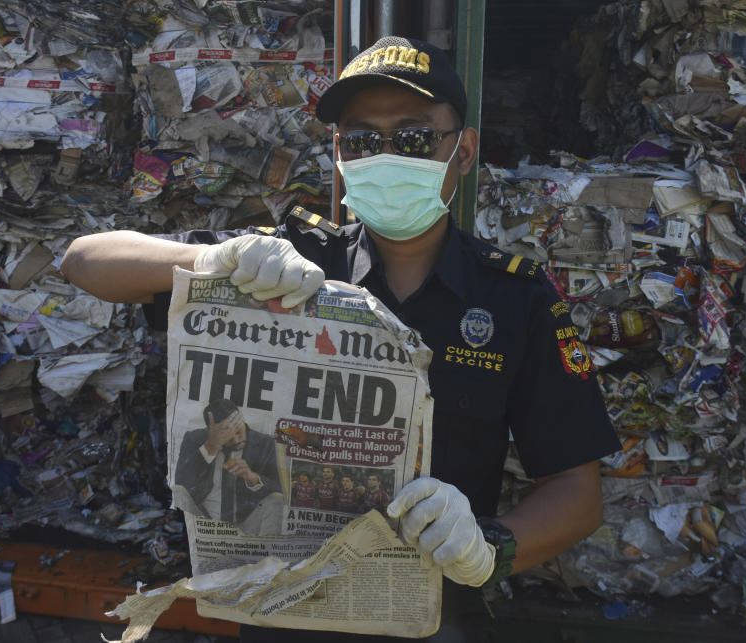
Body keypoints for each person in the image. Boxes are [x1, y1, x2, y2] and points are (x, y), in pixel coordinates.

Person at [62, 35, 620, 642]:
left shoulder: (517, 298)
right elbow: (86, 261)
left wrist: (490, 548)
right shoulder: (287, 260)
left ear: (463, 151)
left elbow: (576, 491)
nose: (385, 156)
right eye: (360, 141)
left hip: (429, 616)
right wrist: (215, 260)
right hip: (283, 614)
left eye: (411, 138)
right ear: (339, 154)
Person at [173, 399, 283, 535]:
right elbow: (181, 483)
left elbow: (279, 490)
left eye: (238, 432)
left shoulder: (265, 443)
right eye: (228, 436)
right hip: (204, 521)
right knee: (178, 491)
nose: (236, 440)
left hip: (247, 523)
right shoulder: (195, 439)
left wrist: (253, 478)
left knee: (277, 500)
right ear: (210, 431)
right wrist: (211, 446)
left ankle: (266, 553)